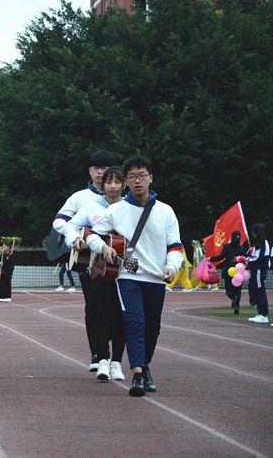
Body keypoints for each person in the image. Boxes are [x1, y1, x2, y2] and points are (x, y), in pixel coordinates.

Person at [87, 156, 183, 397]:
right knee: (135, 322)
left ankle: (146, 366)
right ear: (126, 182)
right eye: (132, 177)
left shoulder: (166, 211)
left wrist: (172, 267)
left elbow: (175, 247)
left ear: (151, 178)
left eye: (141, 175)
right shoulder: (116, 210)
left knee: (153, 328)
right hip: (128, 277)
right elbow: (92, 235)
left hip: (157, 279)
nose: (137, 180)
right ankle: (137, 375)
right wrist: (103, 247)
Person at [63, 166, 127, 381]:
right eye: (108, 181)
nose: (112, 186)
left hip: (124, 271)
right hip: (98, 269)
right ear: (103, 184)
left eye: (117, 182)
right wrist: (76, 239)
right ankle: (102, 359)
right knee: (101, 313)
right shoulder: (92, 207)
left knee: (120, 315)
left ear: (124, 184)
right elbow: (69, 226)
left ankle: (117, 362)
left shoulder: (131, 208)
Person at [53, 150, 115, 371]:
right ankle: (97, 353)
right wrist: (78, 236)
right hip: (88, 259)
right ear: (90, 171)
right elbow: (60, 221)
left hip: (116, 261)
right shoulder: (79, 198)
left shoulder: (122, 198)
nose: (101, 172)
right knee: (94, 306)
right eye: (96, 168)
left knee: (115, 308)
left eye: (105, 168)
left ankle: (111, 355)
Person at [208, 231, 247, 314]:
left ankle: (233, 297)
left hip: (228, 271)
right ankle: (236, 305)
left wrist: (211, 259)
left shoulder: (226, 247)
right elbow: (246, 260)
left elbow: (221, 256)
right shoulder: (243, 249)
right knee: (238, 290)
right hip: (239, 272)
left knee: (229, 290)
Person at [246, 224, 269, 324]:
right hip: (256, 270)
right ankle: (260, 313)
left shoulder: (262, 243)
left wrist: (249, 263)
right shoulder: (260, 243)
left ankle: (264, 315)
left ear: (254, 233)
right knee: (257, 291)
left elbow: (259, 258)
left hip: (259, 270)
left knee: (260, 292)